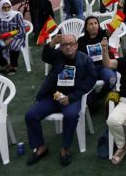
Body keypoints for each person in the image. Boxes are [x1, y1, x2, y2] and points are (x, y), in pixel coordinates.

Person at [25, 34, 97, 167]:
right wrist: (52, 42)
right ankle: (40, 147)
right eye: (64, 44)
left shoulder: (85, 60)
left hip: (72, 98)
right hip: (53, 96)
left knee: (70, 115)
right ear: (61, 47)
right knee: (31, 115)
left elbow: (90, 81)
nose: (68, 47)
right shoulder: (57, 55)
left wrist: (72, 97)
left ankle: (65, 148)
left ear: (76, 45)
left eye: (71, 44)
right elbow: (45, 56)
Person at [77, 17, 116, 102]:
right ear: (86, 27)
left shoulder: (103, 35)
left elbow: (113, 28)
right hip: (89, 69)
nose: (94, 26)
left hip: (103, 66)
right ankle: (91, 100)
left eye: (95, 23)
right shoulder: (81, 41)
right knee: (81, 83)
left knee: (112, 79)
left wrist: (120, 10)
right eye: (90, 24)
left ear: (98, 25)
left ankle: (100, 97)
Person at [0, 0, 26, 76]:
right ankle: (6, 66)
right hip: (1, 38)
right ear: (0, 8)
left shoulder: (17, 15)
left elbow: (22, 30)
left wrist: (11, 38)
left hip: (16, 37)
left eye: (8, 7)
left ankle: (13, 66)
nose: (6, 9)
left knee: (13, 46)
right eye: (4, 8)